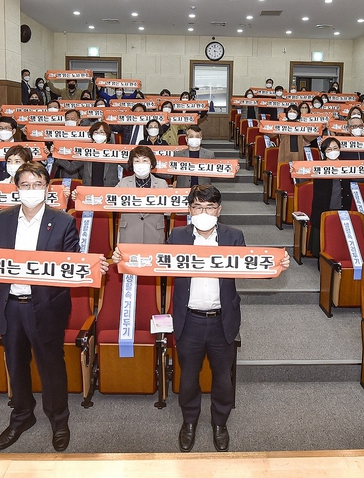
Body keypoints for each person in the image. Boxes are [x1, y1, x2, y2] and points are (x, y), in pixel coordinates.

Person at [0, 162, 107, 451]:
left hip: (47, 307)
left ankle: (59, 419)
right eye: (25, 185)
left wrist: (93, 265)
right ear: (17, 189)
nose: (31, 190)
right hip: (11, 305)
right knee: (16, 364)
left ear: (48, 189)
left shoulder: (62, 221)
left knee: (51, 366)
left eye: (38, 185)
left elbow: (73, 262)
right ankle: (22, 416)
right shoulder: (5, 218)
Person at [116, 185, 288, 452]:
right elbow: (155, 262)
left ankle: (220, 423)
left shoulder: (233, 236)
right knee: (188, 377)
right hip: (190, 319)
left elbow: (251, 268)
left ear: (218, 210)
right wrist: (124, 257)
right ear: (189, 210)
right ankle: (189, 422)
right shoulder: (178, 235)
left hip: (222, 320)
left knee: (222, 377)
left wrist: (276, 265)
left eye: (209, 207)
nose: (204, 212)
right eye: (198, 207)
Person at [308, 137, 359, 256]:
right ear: (324, 152)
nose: (333, 151)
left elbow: (363, 175)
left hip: (342, 205)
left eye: (335, 148)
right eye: (329, 149)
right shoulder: (318, 166)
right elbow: (301, 173)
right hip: (323, 207)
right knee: (322, 242)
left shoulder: (346, 166)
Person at [114, 146, 168, 244]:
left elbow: (170, 208)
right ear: (132, 164)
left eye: (145, 160)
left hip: (154, 233)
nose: (141, 164)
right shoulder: (123, 183)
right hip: (129, 232)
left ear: (151, 164)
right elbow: (108, 200)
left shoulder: (162, 184)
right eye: (137, 161)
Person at [55, 121, 120, 187]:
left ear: (107, 134)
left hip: (109, 190)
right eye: (96, 132)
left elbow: (128, 166)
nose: (98, 135)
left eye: (102, 132)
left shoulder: (114, 150)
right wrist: (56, 154)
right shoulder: (86, 150)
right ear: (92, 135)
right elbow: (71, 167)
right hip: (88, 189)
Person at [0, 117, 20, 182]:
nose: (3, 130)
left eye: (7, 128)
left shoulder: (21, 146)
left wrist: (43, 154)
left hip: (17, 183)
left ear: (13, 131)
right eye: (0, 128)